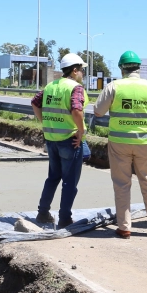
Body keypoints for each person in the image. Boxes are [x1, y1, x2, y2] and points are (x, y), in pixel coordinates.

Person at [94, 50, 147, 239]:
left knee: (122, 184)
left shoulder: (114, 87)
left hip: (119, 143)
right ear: (139, 67)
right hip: (145, 142)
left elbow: (98, 111)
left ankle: (124, 227)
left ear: (122, 68)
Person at [32, 53, 89, 229]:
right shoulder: (75, 87)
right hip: (69, 140)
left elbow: (35, 103)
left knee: (53, 178)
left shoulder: (50, 86)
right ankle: (65, 218)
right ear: (74, 70)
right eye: (81, 71)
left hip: (51, 139)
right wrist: (81, 131)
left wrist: (45, 122)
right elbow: (76, 109)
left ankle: (43, 213)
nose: (82, 74)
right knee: (69, 182)